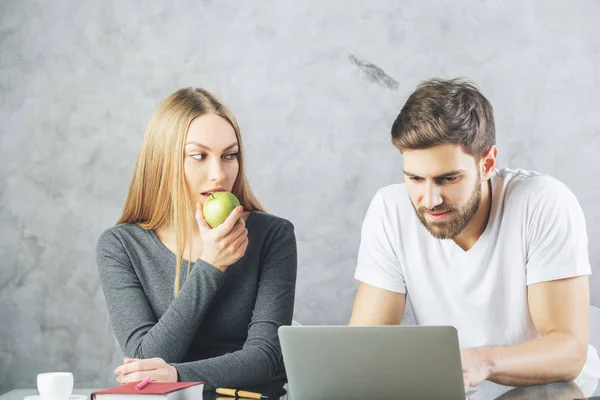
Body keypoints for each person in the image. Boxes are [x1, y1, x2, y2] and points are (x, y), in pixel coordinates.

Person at [349, 78, 598, 390]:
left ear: (488, 163)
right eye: (414, 178)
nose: (430, 199)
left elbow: (569, 352)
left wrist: (483, 360)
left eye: (448, 178)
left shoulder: (542, 202)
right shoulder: (390, 209)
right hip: (455, 391)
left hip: (554, 391)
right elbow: (363, 348)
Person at [96, 88, 297, 389]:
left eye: (229, 155)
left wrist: (177, 375)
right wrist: (211, 266)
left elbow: (264, 359)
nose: (218, 174)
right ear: (162, 161)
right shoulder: (121, 246)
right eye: (199, 156)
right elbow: (144, 359)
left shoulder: (273, 236)